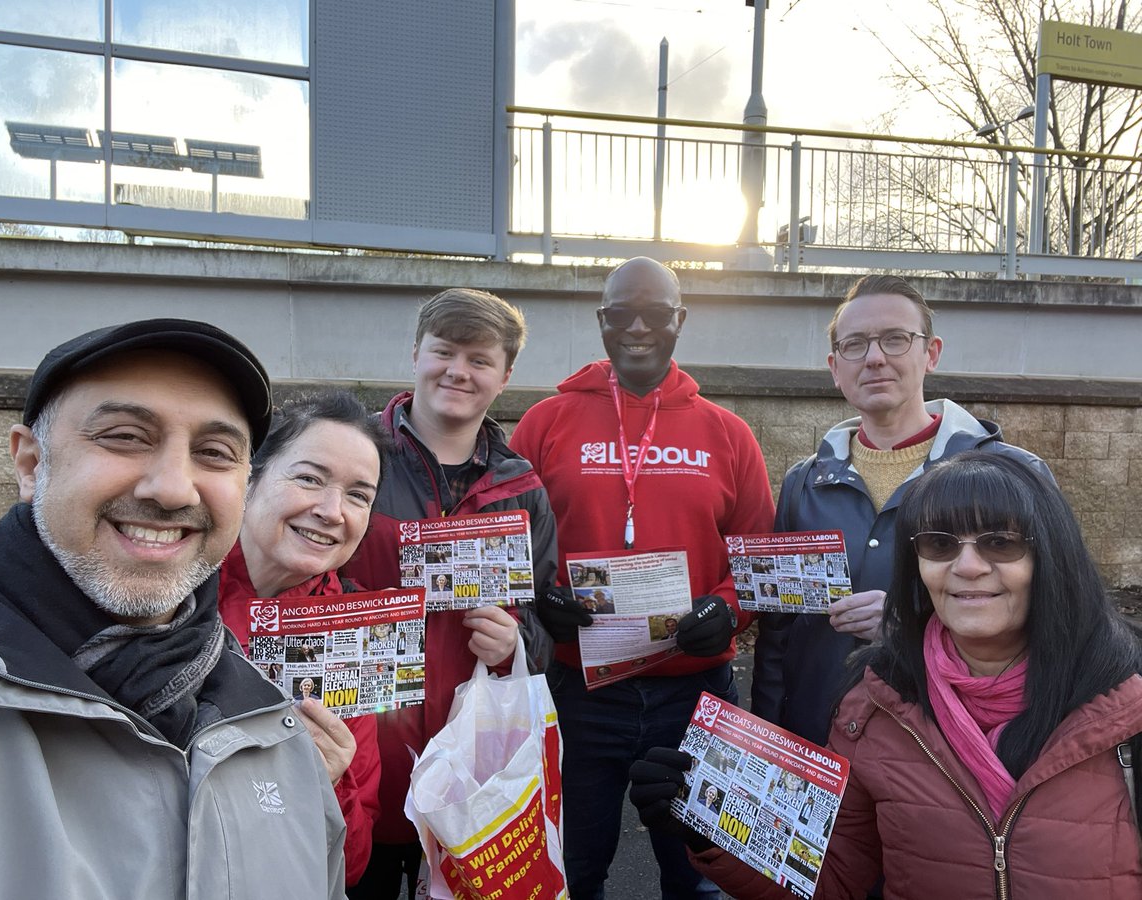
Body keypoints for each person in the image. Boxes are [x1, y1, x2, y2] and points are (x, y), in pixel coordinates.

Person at [0, 319, 347, 898]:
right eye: (125, 436)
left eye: (214, 452)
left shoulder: (275, 733)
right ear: (31, 463)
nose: (174, 488)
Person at [630, 452, 1142, 898]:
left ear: (1049, 555)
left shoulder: (1128, 705)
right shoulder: (871, 706)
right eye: (940, 544)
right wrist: (711, 828)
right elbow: (834, 879)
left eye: (1000, 542)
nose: (967, 566)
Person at [510, 257, 775, 899]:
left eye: (654, 314)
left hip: (694, 693)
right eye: (618, 314)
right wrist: (540, 599)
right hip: (578, 690)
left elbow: (758, 558)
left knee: (702, 877)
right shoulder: (545, 423)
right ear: (600, 321)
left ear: (679, 320)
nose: (636, 328)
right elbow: (511, 544)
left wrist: (729, 611)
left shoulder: (727, 434)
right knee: (572, 873)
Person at [752, 274, 1051, 747]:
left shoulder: (1013, 475)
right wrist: (768, 734)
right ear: (835, 366)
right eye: (855, 344)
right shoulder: (802, 484)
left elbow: (1053, 615)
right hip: (818, 741)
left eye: (895, 339)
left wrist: (907, 624)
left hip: (947, 749)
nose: (874, 358)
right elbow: (779, 632)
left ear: (930, 352)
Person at [343, 287, 558, 899]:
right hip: (365, 754)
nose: (458, 371)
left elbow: (546, 624)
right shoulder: (353, 458)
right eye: (444, 352)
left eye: (480, 359)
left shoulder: (523, 486)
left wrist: (517, 641)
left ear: (505, 375)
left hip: (475, 769)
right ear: (416, 354)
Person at [216, 390, 393, 888]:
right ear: (250, 478)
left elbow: (350, 865)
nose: (333, 510)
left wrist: (330, 783)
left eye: (359, 495)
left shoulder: (350, 637)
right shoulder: (166, 589)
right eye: (310, 478)